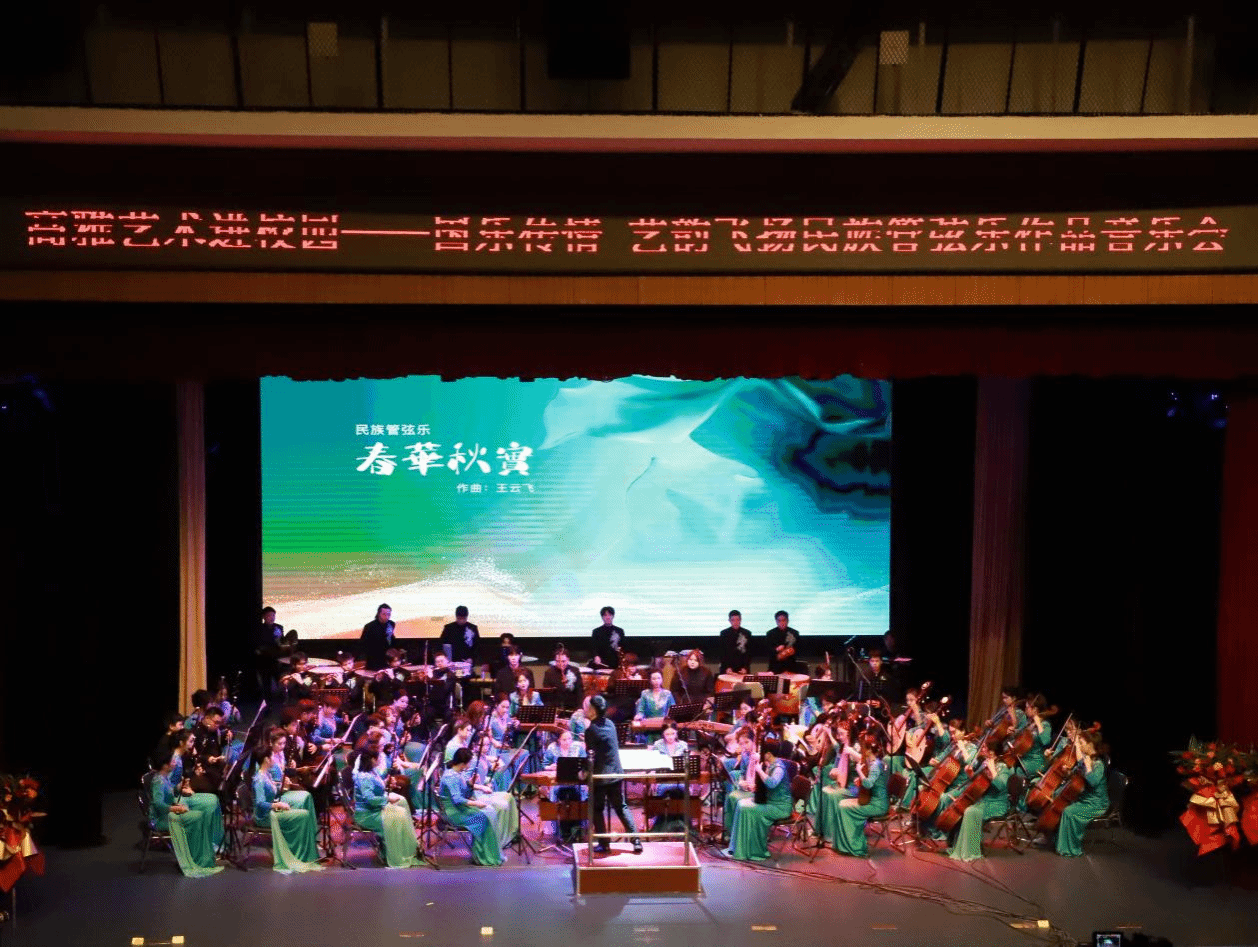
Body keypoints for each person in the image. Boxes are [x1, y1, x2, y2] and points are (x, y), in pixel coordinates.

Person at [148, 746, 224, 877]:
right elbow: (157, 804)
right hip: (161, 819)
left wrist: (180, 787)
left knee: (199, 815)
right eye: (172, 761)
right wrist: (175, 808)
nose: (174, 762)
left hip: (169, 813)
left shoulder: (164, 777)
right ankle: (196, 858)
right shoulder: (158, 781)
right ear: (165, 765)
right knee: (197, 817)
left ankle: (202, 858)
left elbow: (170, 791)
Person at [584, 695, 642, 854]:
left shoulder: (591, 730)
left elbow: (591, 756)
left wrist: (584, 772)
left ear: (593, 710)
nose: (586, 710)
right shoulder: (610, 724)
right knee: (621, 807)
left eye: (589, 707)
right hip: (616, 773)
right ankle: (636, 841)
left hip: (601, 777)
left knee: (597, 809)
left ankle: (604, 844)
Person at [440, 747, 518, 866]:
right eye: (469, 762)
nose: (470, 765)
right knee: (484, 818)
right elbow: (458, 799)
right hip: (454, 813)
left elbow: (464, 791)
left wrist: (470, 783)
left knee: (490, 813)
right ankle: (482, 855)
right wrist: (477, 803)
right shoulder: (451, 777)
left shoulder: (457, 773)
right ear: (462, 764)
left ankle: (486, 853)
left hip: (459, 808)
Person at [251, 745, 323, 872]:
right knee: (304, 815)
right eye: (272, 756)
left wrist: (281, 786)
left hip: (272, 810)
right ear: (266, 759)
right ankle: (298, 853)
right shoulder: (259, 780)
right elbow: (260, 803)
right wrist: (277, 805)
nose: (274, 758)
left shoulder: (266, 774)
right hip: (265, 816)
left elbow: (271, 791)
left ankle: (303, 851)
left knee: (304, 813)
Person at [725, 737, 792, 861]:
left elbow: (772, 783)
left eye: (763, 752)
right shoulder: (771, 764)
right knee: (740, 804)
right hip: (771, 802)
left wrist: (760, 771)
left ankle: (753, 850)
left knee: (745, 808)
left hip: (780, 807)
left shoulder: (779, 768)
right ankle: (737, 847)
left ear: (768, 754)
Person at [352, 749, 420, 867]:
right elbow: (370, 799)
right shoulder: (364, 777)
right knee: (398, 816)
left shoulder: (372, 771)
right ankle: (396, 854)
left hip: (374, 810)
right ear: (372, 759)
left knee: (402, 807)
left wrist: (386, 782)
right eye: (378, 758)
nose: (380, 760)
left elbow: (375, 787)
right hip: (367, 815)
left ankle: (405, 851)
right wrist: (387, 799)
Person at [946, 744, 1012, 861]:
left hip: (997, 804)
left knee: (971, 811)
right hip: (984, 800)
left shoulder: (1004, 768)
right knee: (962, 807)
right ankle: (958, 846)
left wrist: (992, 770)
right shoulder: (984, 764)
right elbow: (978, 783)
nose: (982, 749)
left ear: (992, 752)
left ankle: (971, 851)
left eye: (985, 747)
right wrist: (971, 775)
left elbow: (1000, 786)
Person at [827, 734, 890, 857]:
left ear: (869, 750)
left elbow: (868, 784)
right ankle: (844, 845)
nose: (861, 751)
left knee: (844, 808)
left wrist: (859, 772)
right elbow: (869, 782)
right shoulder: (871, 763)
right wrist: (859, 779)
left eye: (863, 749)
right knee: (841, 804)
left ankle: (854, 846)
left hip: (878, 805)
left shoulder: (875, 765)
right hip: (872, 800)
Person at [1053, 730, 1109, 857]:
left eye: (1082, 743)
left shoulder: (1098, 764)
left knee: (1070, 812)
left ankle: (1072, 849)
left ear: (1090, 745)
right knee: (1061, 804)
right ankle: (1060, 844)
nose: (1080, 746)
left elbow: (1093, 782)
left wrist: (1088, 767)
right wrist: (1068, 772)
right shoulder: (1086, 759)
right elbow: (1077, 773)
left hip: (1096, 803)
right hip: (1084, 798)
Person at [542, 728, 588, 843]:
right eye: (564, 739)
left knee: (578, 793)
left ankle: (578, 828)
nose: (568, 742)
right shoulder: (552, 748)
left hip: (576, 783)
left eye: (569, 739)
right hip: (558, 783)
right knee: (560, 794)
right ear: (558, 740)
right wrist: (550, 767)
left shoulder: (578, 747)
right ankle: (564, 831)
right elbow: (544, 765)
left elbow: (586, 765)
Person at [721, 728, 758, 840]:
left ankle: (741, 833)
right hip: (748, 786)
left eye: (747, 742)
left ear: (753, 740)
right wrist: (741, 782)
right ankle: (730, 832)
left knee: (736, 798)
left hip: (759, 790)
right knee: (730, 797)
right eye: (741, 744)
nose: (744, 746)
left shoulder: (759, 754)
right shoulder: (745, 754)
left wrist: (754, 785)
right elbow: (742, 773)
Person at [633, 670, 676, 742]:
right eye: (654, 679)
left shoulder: (667, 693)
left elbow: (673, 710)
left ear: (662, 679)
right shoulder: (645, 693)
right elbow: (641, 710)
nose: (656, 681)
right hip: (649, 726)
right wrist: (639, 716)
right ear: (650, 680)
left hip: (663, 726)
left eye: (659, 678)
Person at [254, 606, 284, 697]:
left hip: (277, 660)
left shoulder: (279, 627)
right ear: (264, 617)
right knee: (265, 684)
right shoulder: (258, 628)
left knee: (280, 680)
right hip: (264, 661)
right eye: (269, 615)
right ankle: (267, 701)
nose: (272, 618)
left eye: (273, 615)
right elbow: (257, 645)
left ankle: (282, 699)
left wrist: (279, 639)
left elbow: (282, 643)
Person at [360, 604, 396, 671]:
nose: (386, 616)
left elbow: (392, 639)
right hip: (374, 660)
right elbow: (363, 643)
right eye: (384, 614)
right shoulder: (369, 626)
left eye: (388, 614)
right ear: (379, 614)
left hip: (388, 659)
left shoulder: (391, 624)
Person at [718, 610, 753, 675]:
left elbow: (749, 653)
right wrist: (726, 667)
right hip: (727, 668)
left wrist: (745, 667)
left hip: (742, 668)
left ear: (740, 620)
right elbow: (722, 653)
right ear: (729, 621)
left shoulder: (747, 633)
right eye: (733, 620)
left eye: (737, 620)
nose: (735, 622)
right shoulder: (724, 634)